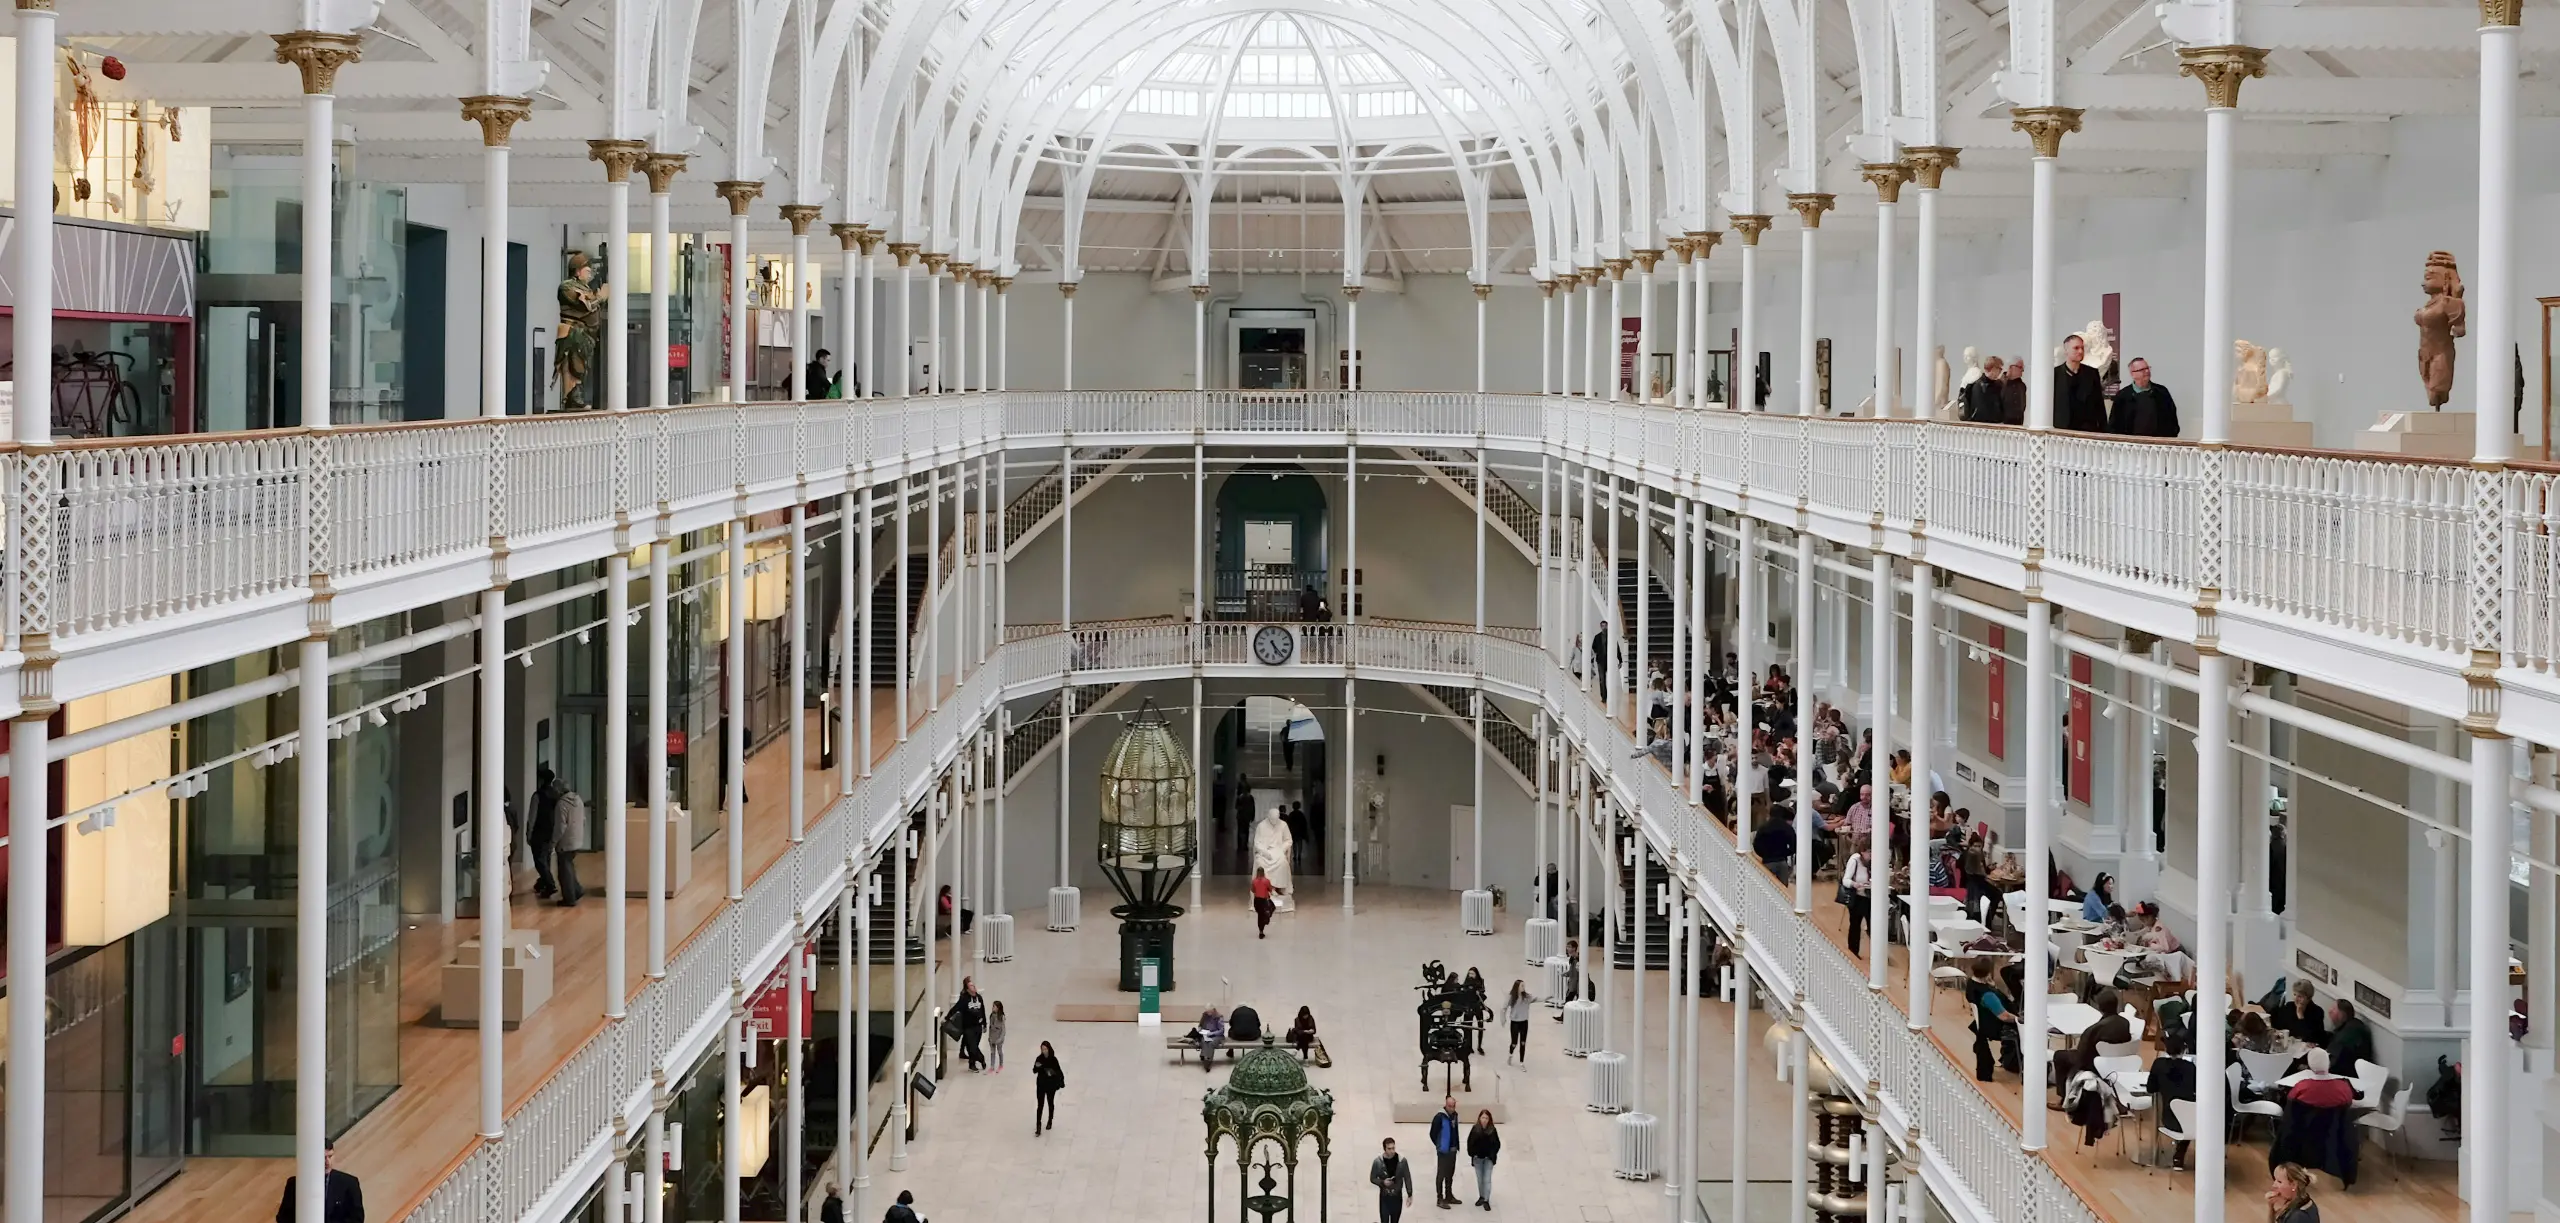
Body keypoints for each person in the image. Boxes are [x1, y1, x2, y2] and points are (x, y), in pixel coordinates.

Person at [2147, 1029, 2199, 1169]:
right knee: (2188, 1114)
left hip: (2169, 1119)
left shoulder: (2159, 1064)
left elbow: (2150, 1088)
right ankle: (2179, 1155)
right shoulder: (2191, 1067)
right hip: (2193, 1122)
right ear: (2184, 1050)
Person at [275, 1142, 364, 1223]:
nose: (327, 1162)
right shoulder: (294, 1184)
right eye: (323, 1158)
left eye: (330, 1156)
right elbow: (283, 1217)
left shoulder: (349, 1183)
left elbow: (357, 1218)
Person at [1965, 956, 2019, 1082]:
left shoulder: (1971, 984)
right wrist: (2020, 1019)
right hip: (1996, 1026)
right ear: (1989, 971)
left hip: (1984, 1023)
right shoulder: (1987, 995)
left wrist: (1991, 984)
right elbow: (2004, 1016)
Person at [2107, 357, 2181, 438]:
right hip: (2131, 446)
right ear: (2133, 374)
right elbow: (2114, 425)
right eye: (2142, 369)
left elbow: (2172, 419)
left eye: (2147, 368)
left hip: (2159, 445)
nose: (2147, 371)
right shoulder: (2122, 396)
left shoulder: (2162, 392)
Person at [2055, 334, 2107, 431]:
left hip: (2087, 431)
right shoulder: (2055, 374)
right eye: (2076, 348)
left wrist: (2104, 430)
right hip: (2061, 431)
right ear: (2066, 350)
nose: (2080, 351)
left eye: (2082, 348)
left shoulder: (2092, 373)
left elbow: (2099, 404)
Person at [528, 764, 563, 900]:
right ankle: (542, 883)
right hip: (551, 831)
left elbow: (532, 816)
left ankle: (549, 884)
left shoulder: (537, 796)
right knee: (546, 858)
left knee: (539, 860)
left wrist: (529, 833)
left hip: (539, 832)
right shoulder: (557, 796)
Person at [2324, 999, 2376, 1075]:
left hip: (2350, 1075)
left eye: (2334, 1009)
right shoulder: (2356, 1023)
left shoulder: (2344, 1037)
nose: (2330, 1011)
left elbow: (2332, 1065)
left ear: (2342, 1015)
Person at [1371, 1137, 1416, 1223]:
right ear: (1384, 1149)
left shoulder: (1402, 1161)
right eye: (1389, 1149)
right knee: (1384, 1220)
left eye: (1393, 1148)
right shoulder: (1378, 1162)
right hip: (1385, 1197)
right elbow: (1372, 1178)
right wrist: (1382, 1182)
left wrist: (1409, 1194)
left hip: (1397, 1196)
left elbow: (1407, 1177)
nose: (1392, 1151)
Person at [1429, 1097, 1462, 1208]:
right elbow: (1433, 1133)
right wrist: (1439, 1145)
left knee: (1450, 1174)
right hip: (1443, 1151)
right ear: (1446, 1105)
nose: (1452, 1109)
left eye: (1453, 1106)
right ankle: (1440, 1198)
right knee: (1441, 1174)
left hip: (1453, 1150)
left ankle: (1449, 1195)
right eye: (1450, 1106)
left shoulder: (1455, 1115)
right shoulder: (1439, 1117)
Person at [2272, 981, 2327, 1047]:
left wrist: (2300, 1016)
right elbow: (2279, 1026)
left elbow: (2311, 1038)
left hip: (2305, 1049)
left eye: (2300, 997)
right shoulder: (2289, 1006)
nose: (2296, 999)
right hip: (2288, 1046)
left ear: (2308, 998)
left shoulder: (2317, 1012)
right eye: (2295, 995)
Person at [1465, 1110, 1502, 1210]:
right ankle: (1481, 1196)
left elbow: (1497, 1144)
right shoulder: (1475, 1129)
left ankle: (1486, 1199)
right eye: (1483, 1118)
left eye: (1486, 1118)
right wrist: (1473, 1154)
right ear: (1479, 1118)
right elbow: (1470, 1143)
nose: (1484, 1120)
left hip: (1488, 1159)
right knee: (1480, 1179)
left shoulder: (1492, 1130)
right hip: (1478, 1159)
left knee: (1487, 1179)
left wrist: (1492, 1154)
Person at [1839, 848, 1873, 958]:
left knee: (1874, 925)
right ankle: (1853, 951)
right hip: (1857, 897)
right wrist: (1855, 884)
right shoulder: (1855, 860)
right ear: (1862, 852)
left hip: (1871, 897)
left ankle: (1878, 953)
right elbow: (1846, 880)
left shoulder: (1875, 862)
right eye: (1869, 851)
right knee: (1855, 924)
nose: (1871, 854)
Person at [951, 977, 988, 1072]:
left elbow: (982, 1010)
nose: (974, 987)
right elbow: (956, 1008)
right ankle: (979, 1059)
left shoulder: (979, 998)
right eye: (971, 986)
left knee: (974, 1045)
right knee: (972, 1046)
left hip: (978, 1026)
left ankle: (972, 1063)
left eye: (973, 985)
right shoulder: (964, 999)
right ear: (967, 989)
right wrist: (947, 1018)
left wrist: (984, 1023)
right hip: (968, 1027)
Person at [1961, 355, 2008, 422]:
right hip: (1986, 427)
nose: (2000, 372)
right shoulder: (1982, 387)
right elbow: (1984, 412)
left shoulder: (1977, 385)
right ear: (1993, 369)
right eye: (2000, 369)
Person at [1031, 1040, 1064, 1134]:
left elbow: (1058, 1071)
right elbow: (1034, 1070)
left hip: (1050, 1085)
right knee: (1040, 1105)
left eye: (1045, 1049)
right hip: (1041, 1084)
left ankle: (1050, 1120)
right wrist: (1037, 1067)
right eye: (1042, 1049)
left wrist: (1051, 1072)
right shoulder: (1039, 1058)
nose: (1044, 1051)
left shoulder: (1053, 1059)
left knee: (1050, 1103)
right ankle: (1038, 1125)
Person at [1753, 806, 1797, 876]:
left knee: (1767, 883)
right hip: (1782, 861)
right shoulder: (1787, 828)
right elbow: (1794, 845)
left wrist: (1764, 855)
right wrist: (1786, 852)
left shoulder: (1763, 827)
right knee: (1782, 885)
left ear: (1770, 814)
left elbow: (1756, 845)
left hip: (1767, 861)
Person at [1504, 980, 1533, 1063]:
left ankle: (1521, 1062)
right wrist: (1503, 1018)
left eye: (1524, 986)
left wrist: (1546, 997)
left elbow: (1536, 998)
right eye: (1522, 986)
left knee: (1523, 1043)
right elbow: (1504, 1007)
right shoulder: (1511, 997)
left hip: (1524, 1022)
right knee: (1514, 1043)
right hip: (1515, 1023)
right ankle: (1510, 1054)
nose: (1524, 987)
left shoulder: (1527, 997)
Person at [1196, 1006, 1226, 1071]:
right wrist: (1200, 1029)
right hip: (1206, 1033)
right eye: (1207, 1012)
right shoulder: (1204, 1015)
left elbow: (1221, 1030)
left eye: (1210, 1012)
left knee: (1211, 1043)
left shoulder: (1219, 1017)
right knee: (1204, 1041)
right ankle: (1204, 1056)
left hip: (1217, 1035)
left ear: (1213, 1010)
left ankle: (1208, 1060)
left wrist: (1212, 1034)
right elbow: (1200, 1025)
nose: (1208, 1013)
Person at [2000, 358, 2028, 424]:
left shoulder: (2022, 385)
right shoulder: (2000, 384)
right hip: (2003, 426)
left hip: (2018, 425)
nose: (2023, 370)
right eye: (2020, 367)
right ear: (2011, 367)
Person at [1252, 867, 1277, 938]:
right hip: (1264, 900)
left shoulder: (1254, 881)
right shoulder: (1266, 881)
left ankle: (1261, 930)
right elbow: (1270, 889)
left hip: (1256, 900)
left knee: (1260, 915)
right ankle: (1266, 920)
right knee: (1272, 907)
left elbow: (1253, 890)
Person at [987, 1000, 1007, 1072]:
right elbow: (990, 1027)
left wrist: (1000, 1038)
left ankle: (1001, 1064)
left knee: (999, 1051)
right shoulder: (992, 1015)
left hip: (999, 1037)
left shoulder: (1001, 1017)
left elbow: (1003, 1029)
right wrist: (989, 1037)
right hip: (992, 1037)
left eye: (994, 1006)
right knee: (992, 1052)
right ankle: (992, 1066)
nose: (992, 1008)